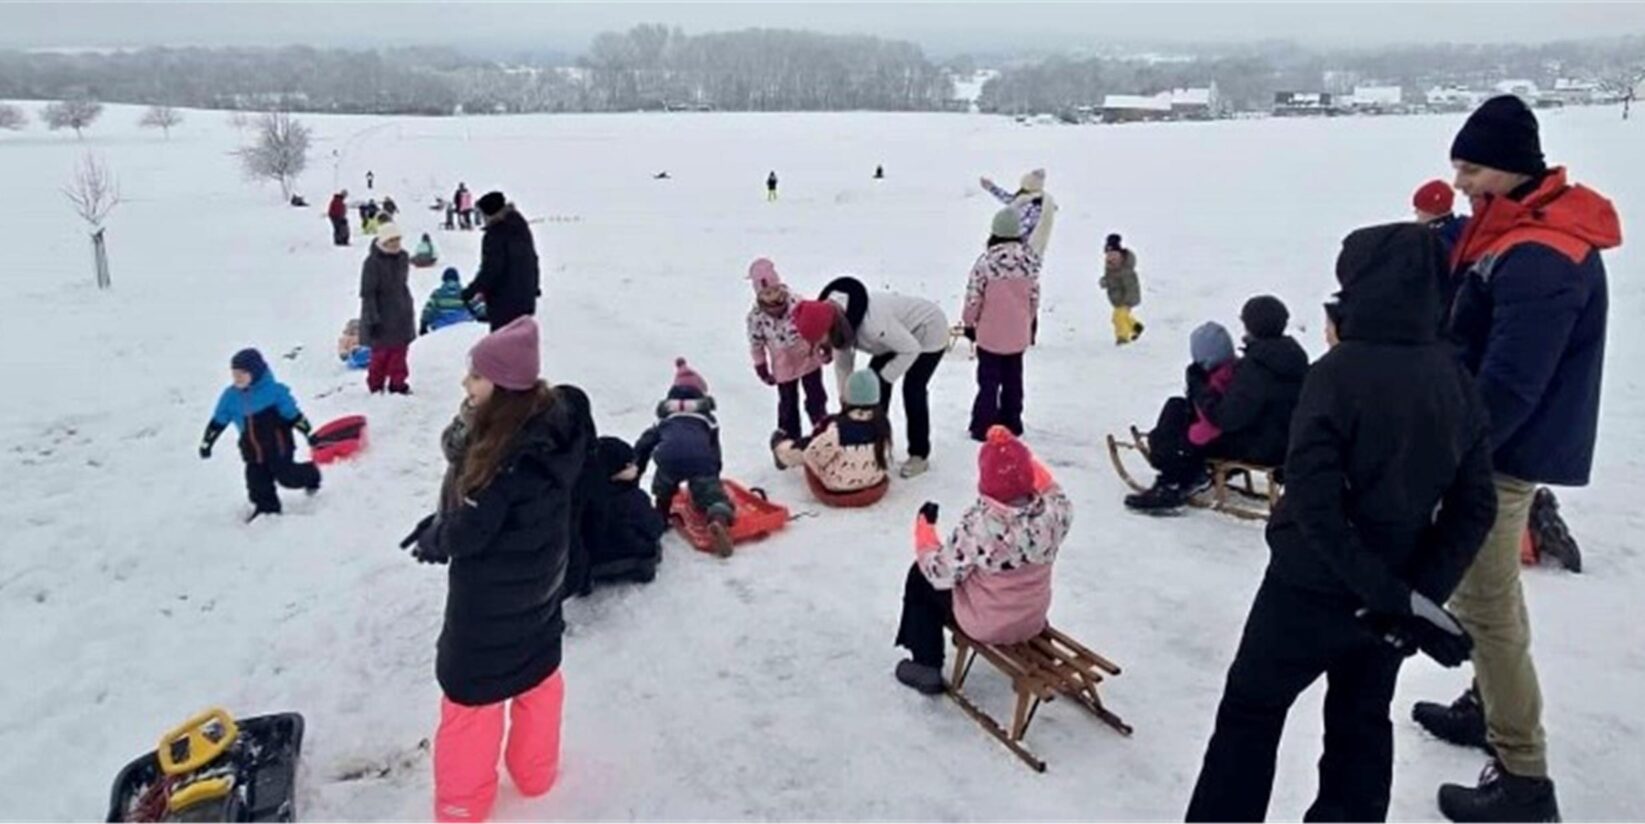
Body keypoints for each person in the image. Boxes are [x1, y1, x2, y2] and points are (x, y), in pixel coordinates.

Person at [1185, 222, 1498, 823]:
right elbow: (1475, 506)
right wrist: (1413, 598)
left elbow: (1313, 502)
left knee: (1251, 713)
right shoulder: (1454, 376)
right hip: (1394, 592)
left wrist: (1396, 597)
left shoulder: (1337, 372)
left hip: (1309, 586)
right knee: (1361, 721)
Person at [1413, 94, 1620, 823]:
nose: (1459, 182)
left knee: (1486, 604)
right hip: (1495, 443)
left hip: (1498, 453)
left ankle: (1523, 778)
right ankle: (1487, 701)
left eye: (1471, 169)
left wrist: (1451, 456)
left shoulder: (1541, 254)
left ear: (1507, 167)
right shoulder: (1516, 227)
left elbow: (1509, 386)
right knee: (1489, 593)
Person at [400, 316, 589, 823]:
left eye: (476, 376)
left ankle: (462, 804)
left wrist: (436, 536)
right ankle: (536, 774)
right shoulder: (550, 430)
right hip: (540, 593)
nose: (466, 383)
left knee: (471, 703)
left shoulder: (504, 460)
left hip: (487, 608)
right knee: (538, 682)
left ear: (503, 387)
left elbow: (469, 529)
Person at [893, 426, 1072, 694]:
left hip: (986, 623)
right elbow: (1048, 485)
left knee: (920, 577)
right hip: (1032, 617)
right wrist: (1012, 453)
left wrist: (924, 530)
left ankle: (926, 665)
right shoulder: (1056, 512)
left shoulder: (981, 526)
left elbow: (939, 573)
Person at [1126, 298, 1308, 512]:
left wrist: (1201, 391)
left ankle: (1174, 482)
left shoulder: (1258, 367)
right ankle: (1183, 469)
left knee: (1178, 414)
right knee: (1182, 411)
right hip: (1283, 442)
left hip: (1260, 447)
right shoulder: (1290, 358)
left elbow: (1226, 418)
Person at [795, 277, 949, 478]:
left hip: (927, 330)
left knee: (913, 390)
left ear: (828, 327)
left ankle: (919, 454)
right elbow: (843, 365)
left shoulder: (872, 325)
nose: (818, 345)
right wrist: (847, 402)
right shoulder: (838, 322)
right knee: (870, 394)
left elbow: (910, 349)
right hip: (893, 340)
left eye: (818, 340)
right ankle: (873, 447)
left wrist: (885, 378)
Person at [199, 348, 320, 522]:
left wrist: (309, 433)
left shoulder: (274, 392)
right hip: (252, 450)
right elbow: (218, 422)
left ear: (255, 373)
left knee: (287, 477)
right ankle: (267, 509)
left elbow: (293, 415)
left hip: (279, 447)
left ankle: (311, 474)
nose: (237, 378)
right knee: (256, 483)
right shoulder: (230, 397)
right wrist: (207, 443)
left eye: (242, 374)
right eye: (234, 374)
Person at [634, 358, 736, 557]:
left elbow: (646, 442)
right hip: (700, 460)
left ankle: (661, 515)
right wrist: (713, 473)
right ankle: (718, 520)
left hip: (668, 459)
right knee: (713, 496)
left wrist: (636, 466)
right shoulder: (707, 419)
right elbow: (714, 448)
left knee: (664, 489)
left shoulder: (666, 418)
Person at [962, 207, 1042, 441]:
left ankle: (983, 425)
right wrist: (1028, 321)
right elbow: (1034, 297)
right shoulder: (1030, 261)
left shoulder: (986, 263)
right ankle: (1012, 422)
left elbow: (974, 296)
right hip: (1017, 334)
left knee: (988, 382)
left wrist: (969, 322)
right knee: (1013, 381)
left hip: (990, 335)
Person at [772, 369, 893, 507]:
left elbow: (812, 455)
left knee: (807, 448)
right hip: (874, 480)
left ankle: (780, 450)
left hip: (837, 486)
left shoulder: (838, 430)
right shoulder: (882, 425)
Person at [745, 257, 828, 444]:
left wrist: (822, 345)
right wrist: (761, 367)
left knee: (816, 396)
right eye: (767, 293)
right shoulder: (755, 317)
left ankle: (821, 429)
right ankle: (790, 439)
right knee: (788, 403)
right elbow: (756, 344)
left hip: (808, 357)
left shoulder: (797, 303)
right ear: (759, 294)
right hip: (783, 365)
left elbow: (813, 325)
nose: (773, 296)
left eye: (775, 290)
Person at [581, 436, 667, 586]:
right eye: (630, 465)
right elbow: (654, 527)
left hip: (592, 561)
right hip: (627, 556)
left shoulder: (581, 494)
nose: (635, 467)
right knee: (651, 546)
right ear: (617, 472)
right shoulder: (633, 499)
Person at [463, 191, 541, 331]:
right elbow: (533, 259)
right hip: (526, 299)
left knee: (503, 342)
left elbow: (492, 269)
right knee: (521, 340)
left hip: (504, 304)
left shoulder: (495, 234)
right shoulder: (520, 227)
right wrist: (534, 287)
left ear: (489, 213)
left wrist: (471, 291)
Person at [359, 222, 416, 394]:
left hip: (401, 311)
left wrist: (407, 309)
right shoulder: (372, 262)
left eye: (397, 240)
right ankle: (375, 385)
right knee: (381, 354)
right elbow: (368, 293)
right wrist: (372, 319)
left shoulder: (403, 257)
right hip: (381, 313)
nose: (395, 244)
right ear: (383, 241)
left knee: (400, 352)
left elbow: (401, 284)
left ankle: (398, 384)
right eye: (391, 240)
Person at [980, 168, 1058, 258]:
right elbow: (1009, 199)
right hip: (1016, 249)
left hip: (1022, 252)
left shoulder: (1035, 205)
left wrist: (1004, 239)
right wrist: (992, 188)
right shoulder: (1025, 198)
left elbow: (1024, 228)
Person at [1100, 233, 1144, 345]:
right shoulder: (1110, 269)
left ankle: (1122, 337)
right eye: (1109, 256)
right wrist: (1104, 281)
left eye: (1114, 256)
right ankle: (1136, 326)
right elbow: (1110, 280)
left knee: (1118, 317)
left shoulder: (1126, 271)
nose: (1111, 258)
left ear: (1121, 256)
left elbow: (1131, 287)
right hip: (1117, 300)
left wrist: (1128, 300)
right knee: (1121, 317)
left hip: (1126, 299)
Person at [422, 268, 486, 335]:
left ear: (444, 279)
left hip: (441, 329)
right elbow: (477, 306)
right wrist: (483, 317)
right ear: (457, 279)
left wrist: (424, 324)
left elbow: (428, 309)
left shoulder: (437, 294)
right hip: (463, 327)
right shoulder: (464, 293)